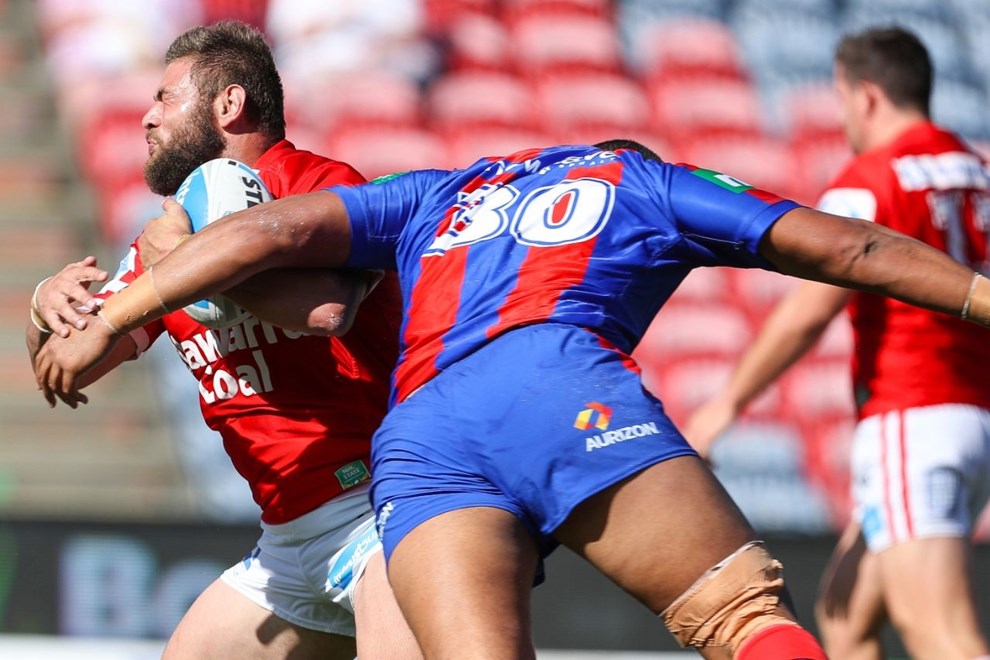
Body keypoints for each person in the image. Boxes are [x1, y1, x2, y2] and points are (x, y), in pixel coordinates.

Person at [38, 133, 990, 659]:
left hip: (420, 442)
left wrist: (115, 306)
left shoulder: (443, 188)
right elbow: (851, 248)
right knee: (740, 619)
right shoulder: (639, 179)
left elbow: (270, 233)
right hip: (555, 385)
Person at [27, 20, 420, 660]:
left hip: (379, 509)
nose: (148, 117)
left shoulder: (318, 185)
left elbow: (327, 309)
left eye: (165, 97)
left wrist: (183, 266)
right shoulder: (167, 232)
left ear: (229, 104)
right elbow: (66, 367)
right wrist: (46, 304)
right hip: (286, 538)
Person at [683, 27, 990, 660]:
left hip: (914, 413)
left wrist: (726, 404)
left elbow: (809, 311)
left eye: (843, 99)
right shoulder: (976, 171)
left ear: (867, 95)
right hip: (972, 415)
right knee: (845, 615)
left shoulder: (869, 178)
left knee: (941, 634)